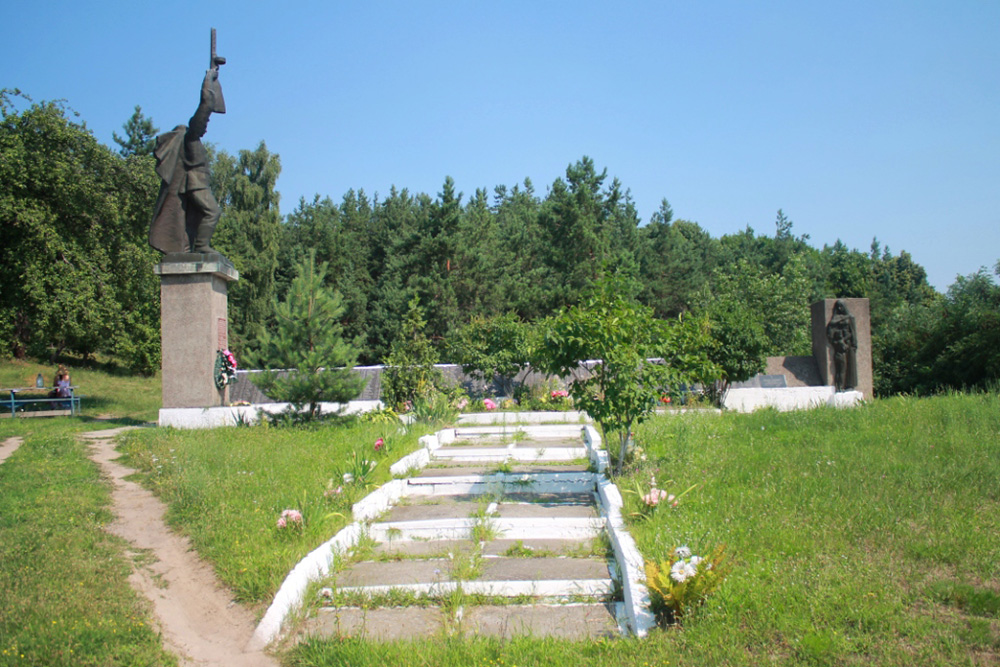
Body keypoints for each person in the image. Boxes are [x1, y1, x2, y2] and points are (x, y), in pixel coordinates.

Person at [149, 68, 225, 254]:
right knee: (212, 212)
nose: (205, 127)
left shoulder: (193, 141)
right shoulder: (191, 138)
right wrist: (208, 81)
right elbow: (205, 106)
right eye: (204, 125)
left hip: (196, 184)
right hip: (195, 185)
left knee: (193, 220)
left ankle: (190, 247)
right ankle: (201, 246)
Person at [825, 300, 858, 392]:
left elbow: (853, 332)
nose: (839, 308)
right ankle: (840, 386)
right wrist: (837, 342)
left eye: (841, 306)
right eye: (838, 306)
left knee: (850, 366)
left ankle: (850, 385)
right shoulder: (834, 319)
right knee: (841, 368)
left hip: (849, 344)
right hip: (840, 346)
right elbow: (830, 333)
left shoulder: (850, 317)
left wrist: (854, 344)